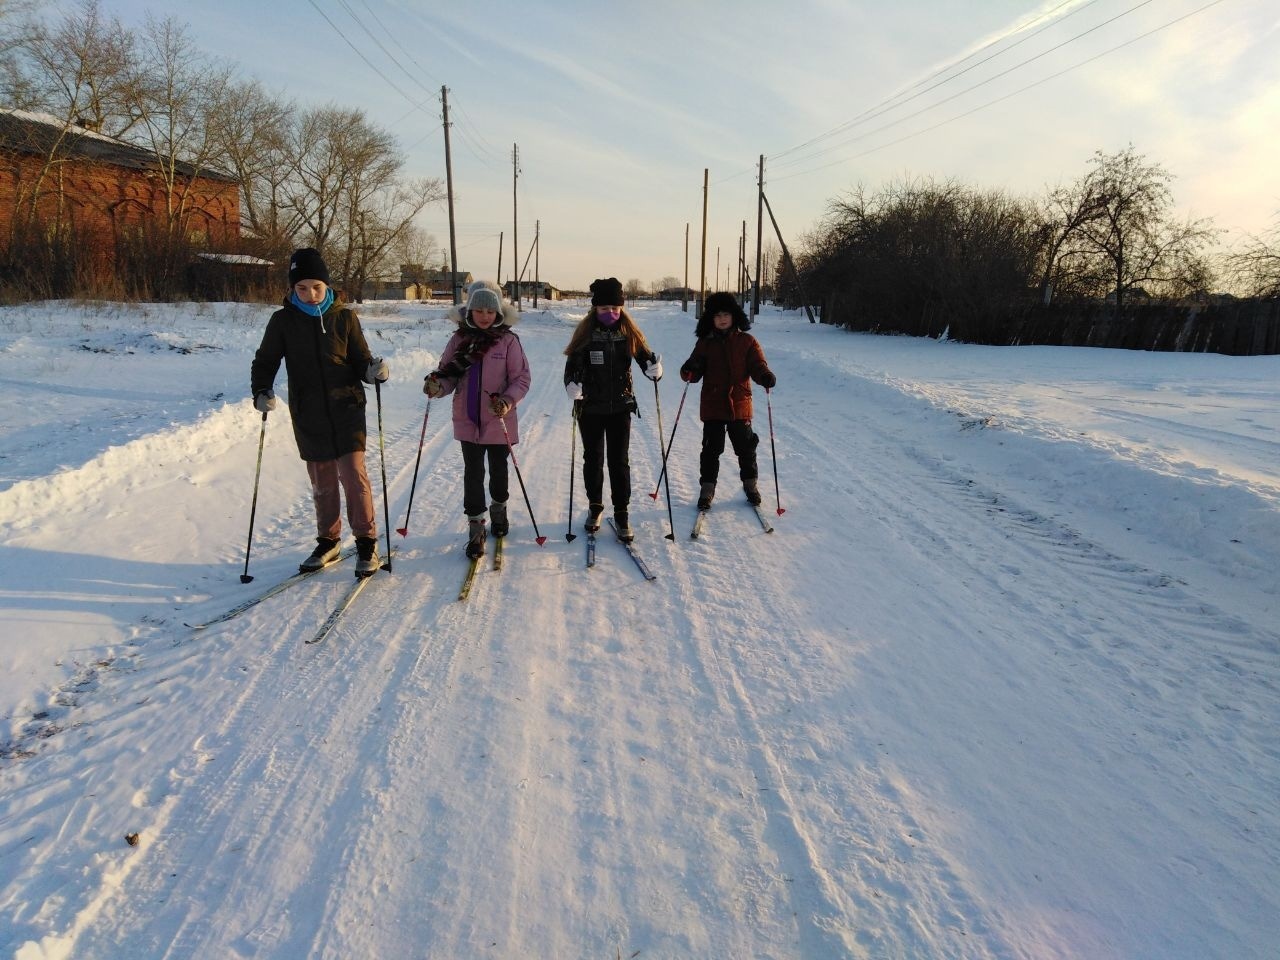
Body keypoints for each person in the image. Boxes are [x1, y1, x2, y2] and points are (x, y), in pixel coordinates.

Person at [251, 247, 389, 577]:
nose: (310, 295)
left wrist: (372, 371)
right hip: (308, 411)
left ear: (327, 286)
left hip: (347, 408)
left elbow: (360, 360)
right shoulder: (282, 321)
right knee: (322, 481)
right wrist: (261, 391)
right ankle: (329, 541)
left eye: (316, 287)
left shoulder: (344, 318)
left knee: (353, 477)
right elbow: (266, 361)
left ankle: (366, 542)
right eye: (301, 288)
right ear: (291, 289)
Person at [424, 280, 530, 559]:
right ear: (469, 312)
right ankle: (475, 526)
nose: (485, 316)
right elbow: (447, 374)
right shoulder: (459, 340)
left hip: (498, 419)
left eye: (490, 311)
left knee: (498, 471)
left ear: (498, 313)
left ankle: (499, 509)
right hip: (467, 419)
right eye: (479, 310)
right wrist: (438, 387)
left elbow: (521, 379)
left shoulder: (508, 341)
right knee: (473, 473)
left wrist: (507, 401)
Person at [563, 277, 662, 542]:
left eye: (615, 309)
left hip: (620, 406)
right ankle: (595, 507)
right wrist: (572, 385)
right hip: (590, 409)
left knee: (619, 461)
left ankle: (621, 512)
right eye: (605, 308)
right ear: (595, 309)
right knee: (592, 459)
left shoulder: (628, 333)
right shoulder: (585, 335)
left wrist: (654, 370)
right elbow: (571, 368)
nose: (611, 313)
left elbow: (646, 359)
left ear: (622, 308)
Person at [679, 291, 776, 510]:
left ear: (734, 316)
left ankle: (751, 486)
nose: (722, 319)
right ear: (710, 319)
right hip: (713, 405)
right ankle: (707, 489)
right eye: (717, 315)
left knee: (746, 447)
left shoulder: (747, 342)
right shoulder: (705, 343)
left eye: (726, 314)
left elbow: (757, 365)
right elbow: (691, 372)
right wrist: (689, 370)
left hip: (740, 404)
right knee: (711, 450)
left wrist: (764, 376)